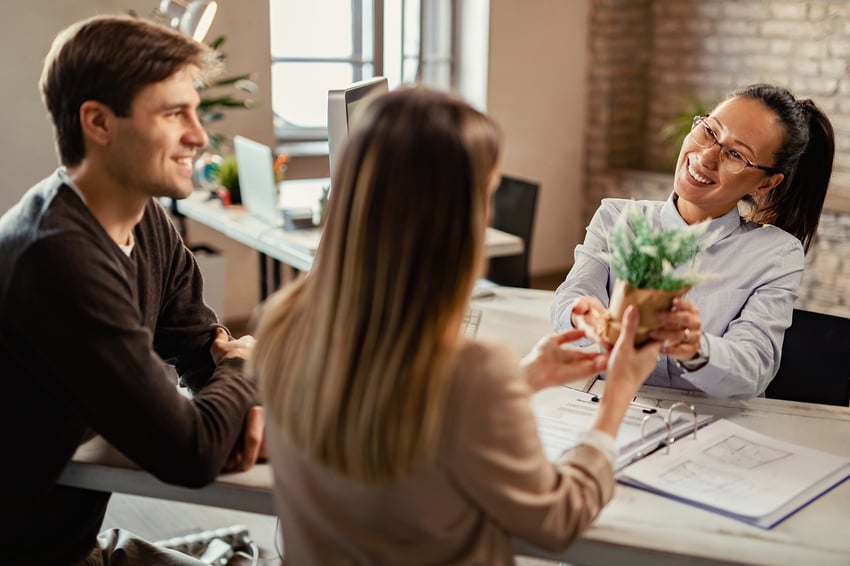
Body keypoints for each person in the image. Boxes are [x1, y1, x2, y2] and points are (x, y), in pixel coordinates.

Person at [251, 87, 662, 564]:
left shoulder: (280, 324)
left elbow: (402, 423)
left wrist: (524, 378)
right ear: (455, 221)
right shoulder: (469, 371)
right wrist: (616, 399)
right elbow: (557, 520)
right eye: (485, 196)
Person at [0, 15, 264, 565]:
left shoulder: (141, 219)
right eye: (174, 114)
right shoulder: (56, 256)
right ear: (98, 122)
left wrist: (234, 397)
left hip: (70, 543)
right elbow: (190, 453)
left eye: (195, 110)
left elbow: (195, 346)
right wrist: (244, 369)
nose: (199, 134)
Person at [551, 83, 835, 399]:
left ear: (766, 183)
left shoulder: (776, 254)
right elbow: (574, 293)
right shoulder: (618, 218)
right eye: (710, 132)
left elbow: (753, 368)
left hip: (709, 424)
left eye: (737, 154)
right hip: (606, 405)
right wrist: (582, 313)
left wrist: (695, 348)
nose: (706, 157)